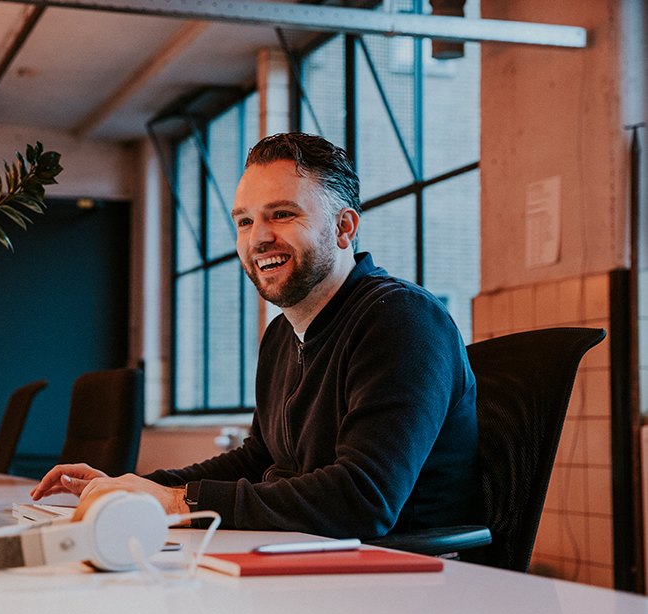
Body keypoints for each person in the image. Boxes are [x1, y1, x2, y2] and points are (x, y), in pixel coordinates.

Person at [32, 132, 478, 540]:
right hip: (313, 558)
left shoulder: (402, 319)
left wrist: (181, 501)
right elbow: (258, 459)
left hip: (403, 580)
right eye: (244, 221)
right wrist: (142, 487)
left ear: (345, 228)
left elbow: (363, 500)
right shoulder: (282, 334)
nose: (258, 238)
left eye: (282, 215)